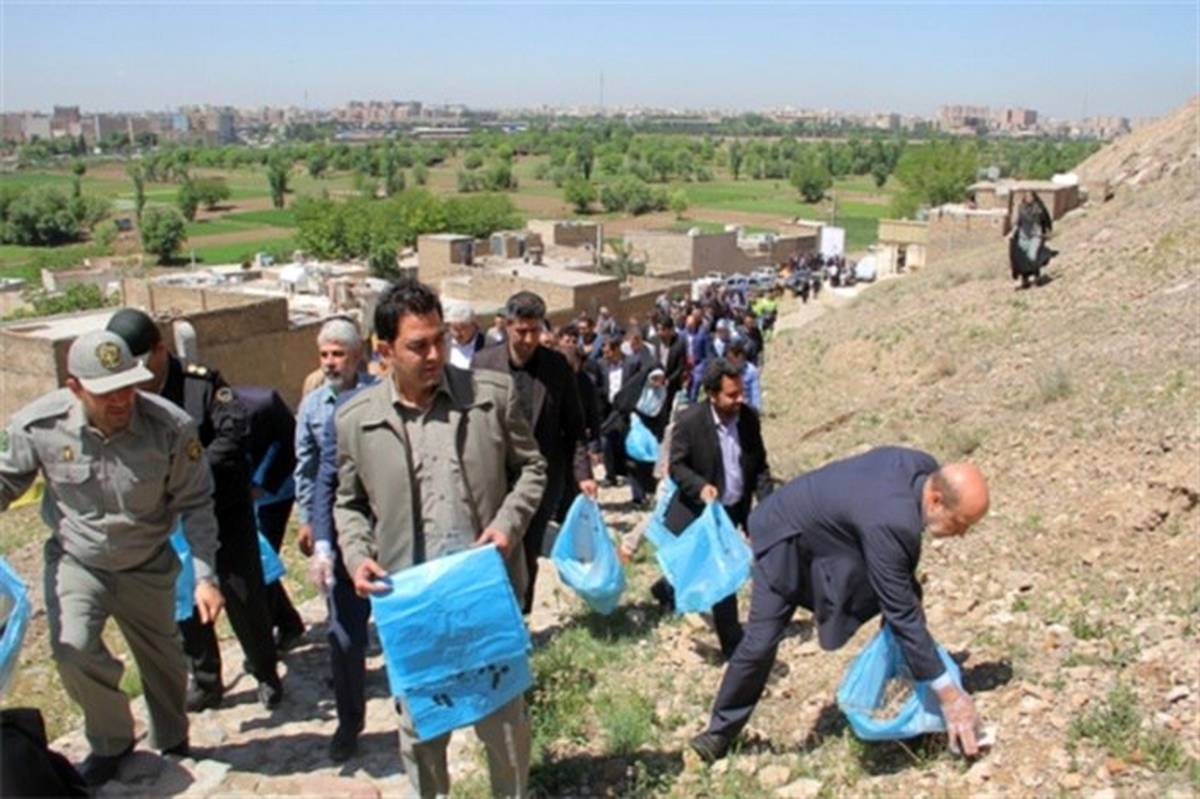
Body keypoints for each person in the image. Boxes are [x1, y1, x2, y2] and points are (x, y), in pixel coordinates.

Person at [333, 278, 547, 797]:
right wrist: (357, 556)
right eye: (418, 345)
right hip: (413, 609)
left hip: (484, 596)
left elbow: (532, 469)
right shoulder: (356, 421)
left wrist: (507, 526)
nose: (434, 354)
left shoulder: (490, 397)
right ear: (384, 350)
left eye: (440, 340)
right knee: (423, 738)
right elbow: (348, 503)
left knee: (506, 731)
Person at [0, 330, 223, 787]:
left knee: (163, 660)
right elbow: (6, 481)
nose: (121, 400)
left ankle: (173, 737)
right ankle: (112, 741)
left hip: (147, 560)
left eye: (127, 386)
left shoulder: (170, 427)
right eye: (106, 392)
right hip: (78, 560)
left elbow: (197, 502)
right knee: (72, 648)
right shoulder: (38, 426)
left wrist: (205, 576)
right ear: (75, 387)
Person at [689, 446, 990, 763]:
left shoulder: (924, 470)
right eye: (961, 523)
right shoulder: (893, 522)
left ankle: (905, 699)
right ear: (936, 500)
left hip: (834, 536)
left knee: (906, 597)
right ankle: (718, 734)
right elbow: (901, 613)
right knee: (761, 639)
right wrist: (951, 696)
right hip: (783, 535)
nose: (962, 534)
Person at [106, 309, 282, 713]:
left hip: (224, 510)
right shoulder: (127, 399)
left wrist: (187, 471)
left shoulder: (201, 385)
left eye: (140, 364)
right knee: (185, 601)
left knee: (243, 595)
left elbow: (232, 435)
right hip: (168, 518)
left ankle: (265, 672)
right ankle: (205, 681)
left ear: (159, 350)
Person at [473, 290, 597, 615]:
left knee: (528, 550)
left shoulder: (557, 367)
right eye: (521, 331)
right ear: (506, 326)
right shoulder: (483, 364)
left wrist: (583, 474)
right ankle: (494, 618)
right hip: (493, 476)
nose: (528, 339)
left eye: (534, 330)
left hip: (541, 477)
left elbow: (574, 425)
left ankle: (521, 617)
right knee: (492, 547)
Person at [294, 317, 378, 762]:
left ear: (357, 356)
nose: (330, 363)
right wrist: (316, 528)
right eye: (324, 355)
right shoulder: (316, 408)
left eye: (338, 354)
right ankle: (349, 721)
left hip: (387, 531)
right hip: (342, 532)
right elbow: (315, 471)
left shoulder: (378, 397)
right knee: (343, 635)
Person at [648, 358, 772, 658]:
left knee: (703, 565)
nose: (739, 399)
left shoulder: (748, 419)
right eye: (732, 394)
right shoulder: (690, 421)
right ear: (712, 394)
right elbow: (677, 466)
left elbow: (759, 467)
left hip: (735, 507)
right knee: (720, 574)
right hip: (701, 511)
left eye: (741, 392)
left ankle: (666, 589)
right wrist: (701, 487)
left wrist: (767, 510)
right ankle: (733, 645)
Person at [236, 384, 305, 652]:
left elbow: (293, 444)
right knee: (256, 561)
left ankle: (278, 629)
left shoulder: (263, 403)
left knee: (259, 560)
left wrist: (264, 484)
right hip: (239, 497)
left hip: (275, 491)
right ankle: (287, 622)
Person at [586, 335, 646, 489]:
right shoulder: (601, 365)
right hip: (609, 410)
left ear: (617, 350)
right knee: (606, 441)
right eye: (604, 352)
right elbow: (599, 387)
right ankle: (610, 475)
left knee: (628, 442)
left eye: (608, 352)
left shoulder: (632, 363)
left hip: (627, 410)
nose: (605, 356)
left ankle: (633, 479)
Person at [1010, 192, 1055, 289]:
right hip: (1023, 236)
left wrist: (1047, 232)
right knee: (1023, 259)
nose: (1028, 198)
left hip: (1036, 235)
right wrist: (1012, 233)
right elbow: (1018, 222)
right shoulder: (1021, 208)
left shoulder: (1039, 209)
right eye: (1027, 196)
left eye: (1030, 196)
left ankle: (1036, 276)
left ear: (1034, 197)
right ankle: (1025, 279)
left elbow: (1045, 220)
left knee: (1032, 256)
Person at [444, 299, 485, 369]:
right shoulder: (443, 342)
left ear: (474, 326)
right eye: (454, 328)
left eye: (462, 328)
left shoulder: (487, 345)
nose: (457, 334)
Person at [725, 342, 762, 413]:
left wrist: (755, 413)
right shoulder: (725, 370)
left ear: (740, 357)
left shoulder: (751, 371)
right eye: (728, 359)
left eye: (731, 359)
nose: (729, 362)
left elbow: (755, 396)